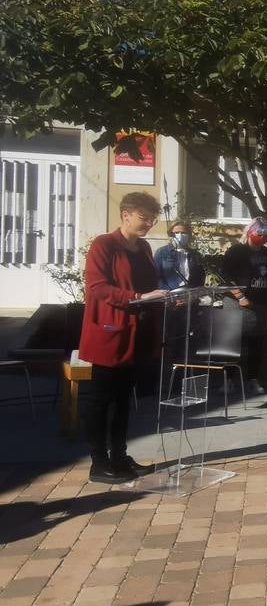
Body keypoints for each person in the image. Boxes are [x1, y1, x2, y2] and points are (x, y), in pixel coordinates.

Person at [79, 191, 167, 484]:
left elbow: (150, 285)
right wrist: (138, 297)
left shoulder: (143, 248)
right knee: (102, 400)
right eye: (144, 218)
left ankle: (119, 456)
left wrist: (165, 298)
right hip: (110, 332)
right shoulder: (105, 245)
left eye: (153, 219)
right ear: (126, 214)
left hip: (138, 333)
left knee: (123, 400)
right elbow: (97, 287)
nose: (149, 224)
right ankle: (98, 462)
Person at [222, 217, 267, 395]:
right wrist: (240, 296)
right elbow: (225, 276)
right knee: (232, 343)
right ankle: (228, 381)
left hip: (260, 305)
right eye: (259, 233)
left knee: (256, 344)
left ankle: (253, 379)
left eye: (265, 235)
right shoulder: (236, 251)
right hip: (237, 303)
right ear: (250, 232)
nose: (261, 237)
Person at [154, 221, 206, 290]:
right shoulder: (161, 252)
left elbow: (200, 277)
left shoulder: (195, 255)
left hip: (190, 295)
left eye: (184, 233)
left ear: (189, 235)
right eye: (176, 233)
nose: (180, 235)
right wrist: (169, 293)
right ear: (170, 235)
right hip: (170, 296)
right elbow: (156, 277)